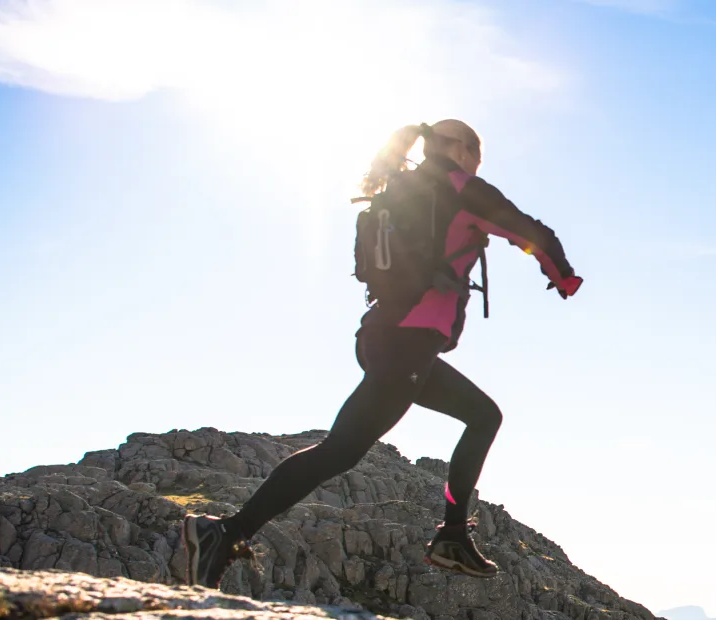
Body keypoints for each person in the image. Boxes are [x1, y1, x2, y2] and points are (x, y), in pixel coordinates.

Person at [180, 119, 582, 589]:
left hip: (383, 338)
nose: (477, 163)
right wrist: (564, 275)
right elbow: (529, 230)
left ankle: (451, 535)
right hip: (408, 343)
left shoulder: (399, 189)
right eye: (476, 152)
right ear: (458, 149)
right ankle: (226, 532)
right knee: (341, 450)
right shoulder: (461, 189)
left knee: (476, 417)